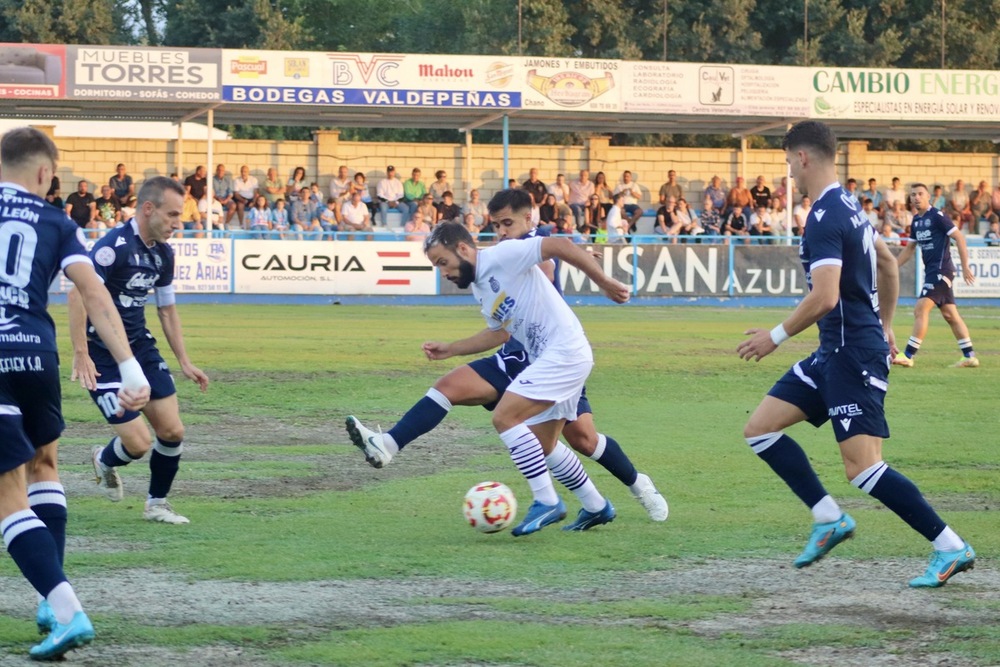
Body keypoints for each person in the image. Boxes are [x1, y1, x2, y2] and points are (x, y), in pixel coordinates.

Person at [737, 120, 975, 588]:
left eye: (788, 160)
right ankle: (829, 519)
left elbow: (824, 297)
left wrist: (775, 336)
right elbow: (887, 264)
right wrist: (885, 324)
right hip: (836, 350)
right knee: (759, 430)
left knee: (862, 466)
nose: (788, 170)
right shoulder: (850, 206)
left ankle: (950, 546)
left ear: (803, 157)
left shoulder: (825, 216)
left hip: (851, 356)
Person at [346, 194, 667, 524]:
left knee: (574, 437)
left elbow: (555, 246)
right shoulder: (483, 282)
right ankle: (596, 506)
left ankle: (595, 492)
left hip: (561, 354)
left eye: (442, 263)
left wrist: (603, 281)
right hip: (522, 356)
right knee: (532, 437)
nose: (501, 230)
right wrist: (452, 348)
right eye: (496, 224)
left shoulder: (511, 253)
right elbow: (499, 332)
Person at [0, 127, 150, 660]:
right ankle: (48, 597)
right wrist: (129, 367)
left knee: (5, 494)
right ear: (44, 174)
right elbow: (93, 292)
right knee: (44, 465)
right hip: (36, 354)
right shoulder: (57, 221)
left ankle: (66, 610)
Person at [68, 176, 209, 527]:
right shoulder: (112, 247)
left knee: (173, 431)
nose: (179, 223)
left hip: (142, 349)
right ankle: (105, 459)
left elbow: (166, 310)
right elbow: (76, 295)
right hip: (103, 357)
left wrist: (185, 361)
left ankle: (157, 503)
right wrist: (81, 351)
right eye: (173, 215)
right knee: (139, 443)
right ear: (149, 209)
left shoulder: (163, 254)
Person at [892, 183, 978, 369]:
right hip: (932, 272)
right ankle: (969, 356)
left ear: (928, 197)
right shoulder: (915, 221)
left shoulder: (938, 217)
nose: (916, 197)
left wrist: (965, 266)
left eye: (920, 194)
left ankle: (908, 355)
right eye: (913, 194)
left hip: (941, 271)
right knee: (950, 315)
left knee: (920, 309)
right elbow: (910, 249)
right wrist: (893, 266)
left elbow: (960, 238)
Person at [212, 164, 237, 229]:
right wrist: (218, 198)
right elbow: (211, 192)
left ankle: (226, 223)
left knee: (233, 206)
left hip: (226, 198)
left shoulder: (228, 180)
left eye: (222, 170)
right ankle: (214, 224)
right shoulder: (212, 179)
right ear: (216, 170)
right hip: (215, 198)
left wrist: (226, 200)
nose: (220, 172)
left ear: (224, 171)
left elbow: (231, 192)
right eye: (219, 170)